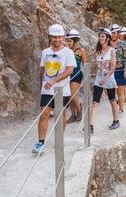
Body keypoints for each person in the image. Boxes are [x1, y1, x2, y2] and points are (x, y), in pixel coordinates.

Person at [33, 24, 76, 153]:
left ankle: (59, 139)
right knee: (44, 114)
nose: (57, 40)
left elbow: (69, 70)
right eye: (54, 37)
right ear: (50, 37)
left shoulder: (68, 52)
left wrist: (54, 81)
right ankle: (40, 143)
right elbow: (43, 69)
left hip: (62, 89)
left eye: (59, 37)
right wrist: (45, 83)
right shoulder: (45, 52)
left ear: (62, 37)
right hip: (47, 89)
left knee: (60, 114)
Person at [89, 28, 119, 134]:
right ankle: (91, 125)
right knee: (95, 102)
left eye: (103, 36)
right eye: (100, 36)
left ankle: (116, 120)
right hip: (98, 78)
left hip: (109, 79)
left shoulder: (112, 50)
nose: (100, 38)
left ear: (107, 38)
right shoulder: (98, 51)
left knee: (112, 101)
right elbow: (96, 65)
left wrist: (105, 79)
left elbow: (113, 67)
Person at [65, 29, 87, 123]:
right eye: (67, 41)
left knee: (72, 94)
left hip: (77, 75)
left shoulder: (81, 51)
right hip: (67, 75)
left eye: (70, 41)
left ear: (75, 41)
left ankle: (79, 110)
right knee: (69, 96)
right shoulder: (66, 51)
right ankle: (73, 115)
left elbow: (85, 64)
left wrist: (86, 77)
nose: (68, 43)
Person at [109, 24, 126, 115]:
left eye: (114, 33)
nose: (113, 35)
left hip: (120, 69)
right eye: (111, 33)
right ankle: (114, 108)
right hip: (110, 70)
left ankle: (121, 109)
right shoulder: (108, 44)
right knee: (111, 91)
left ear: (118, 33)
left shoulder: (123, 44)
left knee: (120, 90)